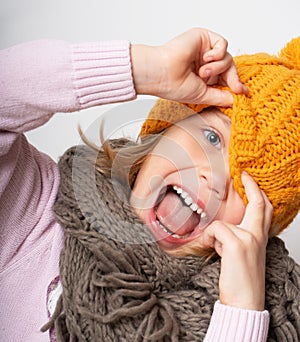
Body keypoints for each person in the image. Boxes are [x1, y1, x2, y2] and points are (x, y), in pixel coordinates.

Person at [0, 27, 298, 341]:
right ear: (167, 129)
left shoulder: (255, 315)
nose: (218, 181)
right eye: (213, 138)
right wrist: (145, 69)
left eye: (247, 188)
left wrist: (241, 310)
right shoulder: (36, 209)